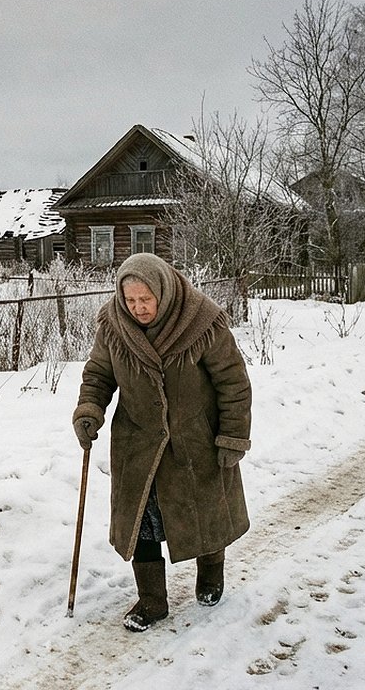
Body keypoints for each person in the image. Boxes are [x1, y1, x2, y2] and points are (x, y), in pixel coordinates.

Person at [72, 253, 252, 632]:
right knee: (143, 521)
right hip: (137, 442)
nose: (138, 308)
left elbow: (233, 382)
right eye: (130, 300)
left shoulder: (202, 322)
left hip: (195, 441)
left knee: (203, 513)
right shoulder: (113, 324)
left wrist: (233, 435)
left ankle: (211, 574)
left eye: (145, 300)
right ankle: (152, 600)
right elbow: (99, 374)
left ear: (164, 292)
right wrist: (89, 409)